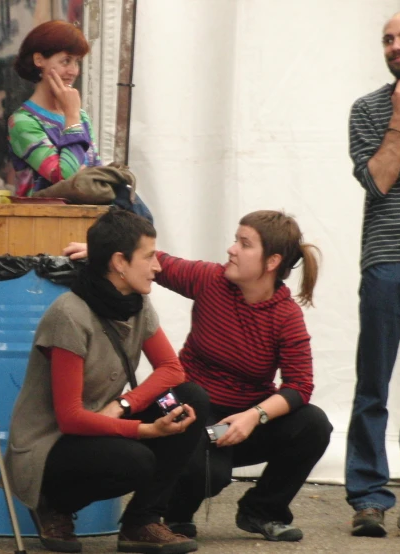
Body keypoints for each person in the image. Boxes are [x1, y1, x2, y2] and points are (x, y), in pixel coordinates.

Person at [65, 210, 333, 542]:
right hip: (191, 408)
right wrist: (105, 254)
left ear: (271, 261)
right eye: (236, 240)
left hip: (239, 420)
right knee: (208, 473)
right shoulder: (211, 279)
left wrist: (254, 416)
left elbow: (300, 385)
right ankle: (174, 515)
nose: (231, 249)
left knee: (314, 424)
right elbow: (157, 262)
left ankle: (262, 510)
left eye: (244, 243)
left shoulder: (285, 316)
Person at [5, 209, 209, 554]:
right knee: (137, 460)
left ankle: (141, 523)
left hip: (103, 420)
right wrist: (146, 431)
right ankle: (53, 504)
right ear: (119, 262)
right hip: (53, 442)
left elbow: (172, 370)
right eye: (149, 257)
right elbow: (70, 418)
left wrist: (126, 404)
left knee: (191, 399)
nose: (157, 267)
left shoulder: (136, 303)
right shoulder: (69, 315)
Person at [345, 9, 400, 538]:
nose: (395, 46)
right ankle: (368, 497)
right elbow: (378, 183)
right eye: (387, 39)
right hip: (387, 261)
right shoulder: (368, 109)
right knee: (374, 383)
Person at [8, 20, 100, 197]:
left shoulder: (80, 116)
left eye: (77, 62)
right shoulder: (23, 121)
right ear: (39, 60)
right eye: (66, 61)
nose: (73, 71)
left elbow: (96, 175)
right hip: (43, 221)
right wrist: (72, 118)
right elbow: (66, 178)